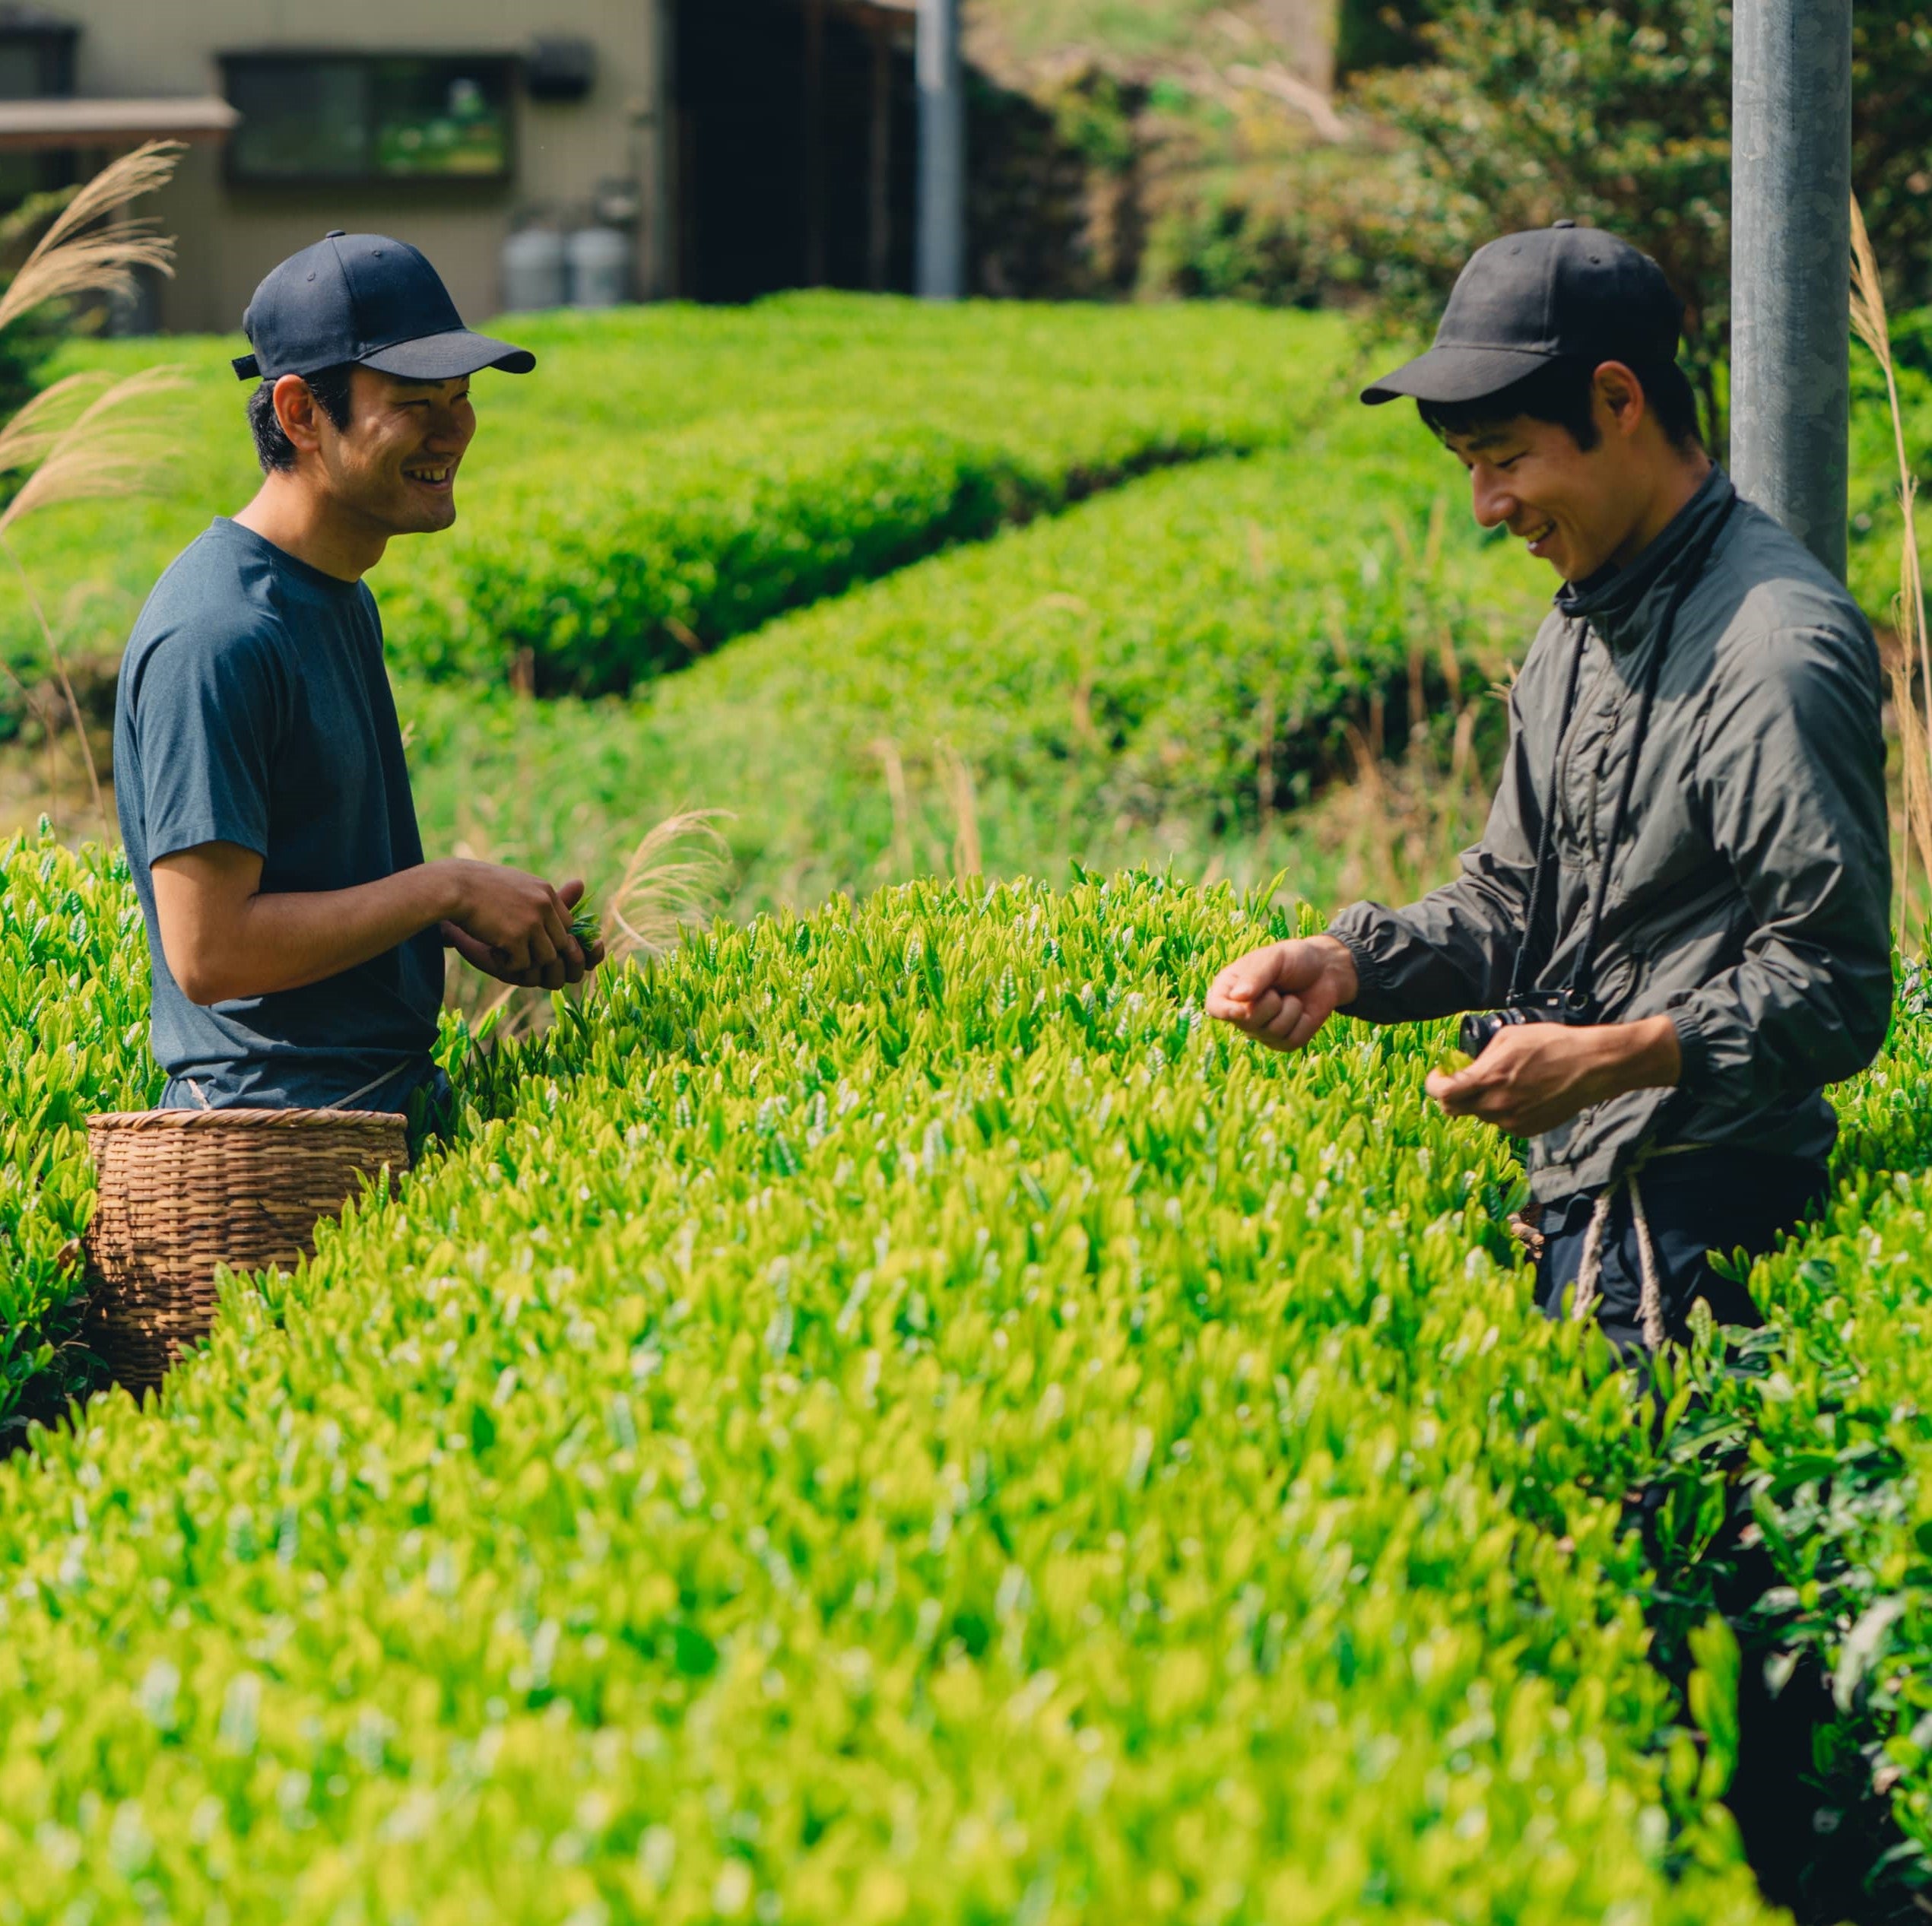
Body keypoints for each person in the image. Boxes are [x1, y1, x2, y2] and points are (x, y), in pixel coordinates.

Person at [1206, 223, 1892, 1363]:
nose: (1485, 505)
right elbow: (1509, 898)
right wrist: (1346, 964)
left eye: (1505, 456)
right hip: (1590, 1195)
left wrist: (1618, 1053)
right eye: (1468, 465)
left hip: (1695, 1211)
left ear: (1616, 400)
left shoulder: (1772, 647)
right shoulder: (1582, 621)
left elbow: (1835, 980)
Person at [114, 231, 604, 1120]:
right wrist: (443, 886)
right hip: (273, 1137)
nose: (455, 428)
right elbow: (210, 951)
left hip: (364, 1101)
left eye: (461, 397)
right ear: (301, 414)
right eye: (415, 402)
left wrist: (454, 923)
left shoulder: (338, 595)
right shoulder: (221, 631)